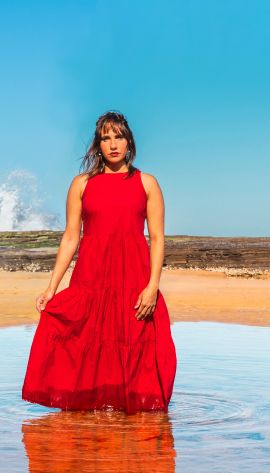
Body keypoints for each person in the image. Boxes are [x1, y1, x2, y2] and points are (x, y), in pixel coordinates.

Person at [21, 110, 177, 414]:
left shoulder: (147, 183)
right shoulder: (81, 184)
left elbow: (157, 238)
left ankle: (128, 434)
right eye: (106, 138)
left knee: (134, 348)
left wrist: (152, 285)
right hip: (91, 277)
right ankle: (92, 423)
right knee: (85, 344)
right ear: (98, 145)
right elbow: (70, 237)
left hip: (133, 279)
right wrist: (51, 288)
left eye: (118, 137)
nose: (113, 144)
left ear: (129, 141)